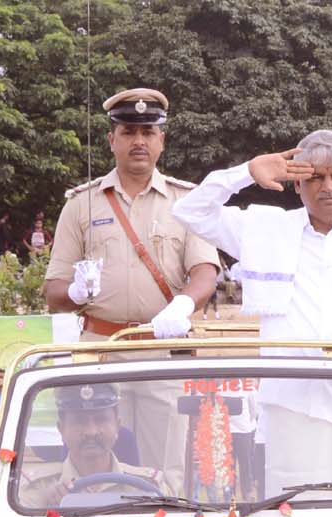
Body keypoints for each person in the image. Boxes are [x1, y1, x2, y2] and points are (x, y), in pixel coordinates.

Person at [173, 129, 332, 493]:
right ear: (296, 184)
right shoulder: (266, 229)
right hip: (291, 406)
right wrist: (247, 171)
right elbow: (189, 210)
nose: (327, 187)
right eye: (314, 177)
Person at [45, 88, 221, 470]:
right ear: (112, 140)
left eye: (148, 132)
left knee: (167, 469)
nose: (138, 141)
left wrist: (184, 303)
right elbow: (53, 290)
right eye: (128, 132)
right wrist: (75, 292)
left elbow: (205, 272)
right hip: (102, 350)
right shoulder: (82, 204)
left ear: (162, 140)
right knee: (96, 464)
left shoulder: (187, 202)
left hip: (163, 350)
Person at [13, 382, 164, 508]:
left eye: (100, 419)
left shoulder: (149, 486)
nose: (91, 431)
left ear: (117, 426)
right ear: (61, 429)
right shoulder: (38, 489)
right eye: (79, 421)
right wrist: (49, 510)